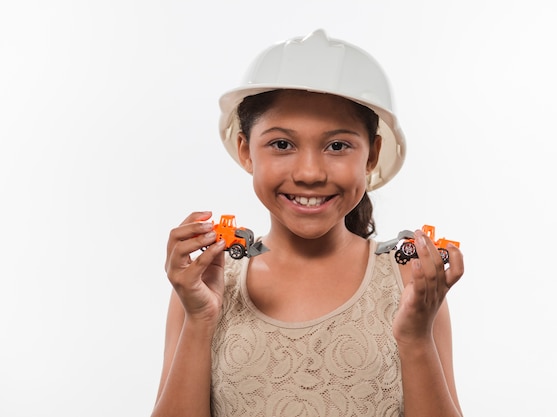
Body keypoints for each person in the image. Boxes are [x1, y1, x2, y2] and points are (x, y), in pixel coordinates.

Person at [152, 29, 464, 417]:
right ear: (246, 151)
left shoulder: (410, 283)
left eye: (337, 145)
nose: (311, 173)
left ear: (372, 155)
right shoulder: (206, 283)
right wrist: (199, 319)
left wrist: (416, 339)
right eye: (282, 144)